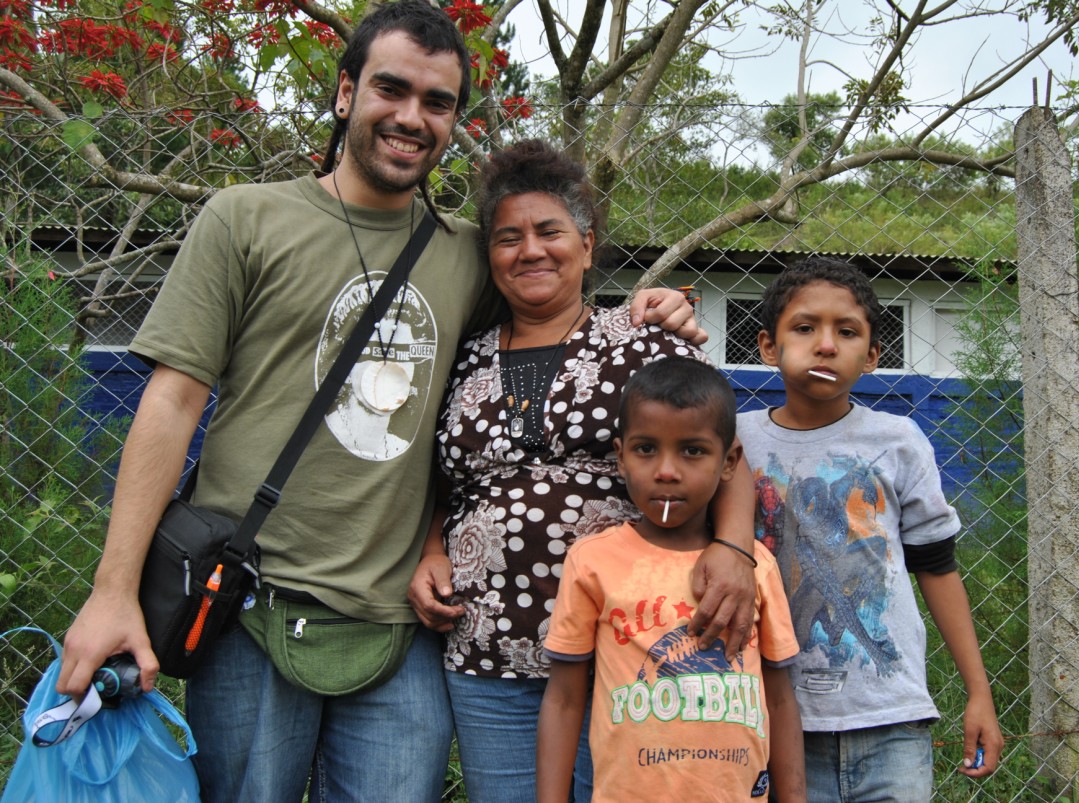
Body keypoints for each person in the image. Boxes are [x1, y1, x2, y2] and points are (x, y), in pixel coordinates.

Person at [53, 4, 703, 801]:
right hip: (253, 602)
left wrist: (651, 309)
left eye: (437, 102)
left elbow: (551, 321)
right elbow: (172, 399)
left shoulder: (472, 252)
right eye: (390, 89)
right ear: (344, 93)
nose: (411, 117)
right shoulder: (245, 219)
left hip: (399, 627)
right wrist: (112, 588)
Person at [407, 140, 760, 802]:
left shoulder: (642, 341)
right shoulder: (462, 356)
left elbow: (727, 455)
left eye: (549, 231)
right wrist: (431, 547)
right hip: (490, 647)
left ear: (587, 244)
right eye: (508, 237)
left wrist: (734, 549)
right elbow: (448, 476)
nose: (530, 250)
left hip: (628, 648)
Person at [738, 256, 1004, 801]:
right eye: (805, 328)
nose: (826, 345)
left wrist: (980, 692)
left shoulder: (898, 440)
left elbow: (936, 566)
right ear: (769, 346)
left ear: (873, 356)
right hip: (771, 719)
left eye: (847, 331)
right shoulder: (734, 442)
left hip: (891, 721)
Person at [535, 356, 807, 803]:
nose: (666, 470)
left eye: (693, 450)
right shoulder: (593, 562)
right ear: (620, 457)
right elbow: (564, 700)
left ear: (729, 461)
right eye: (646, 449)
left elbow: (779, 699)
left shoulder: (755, 567)